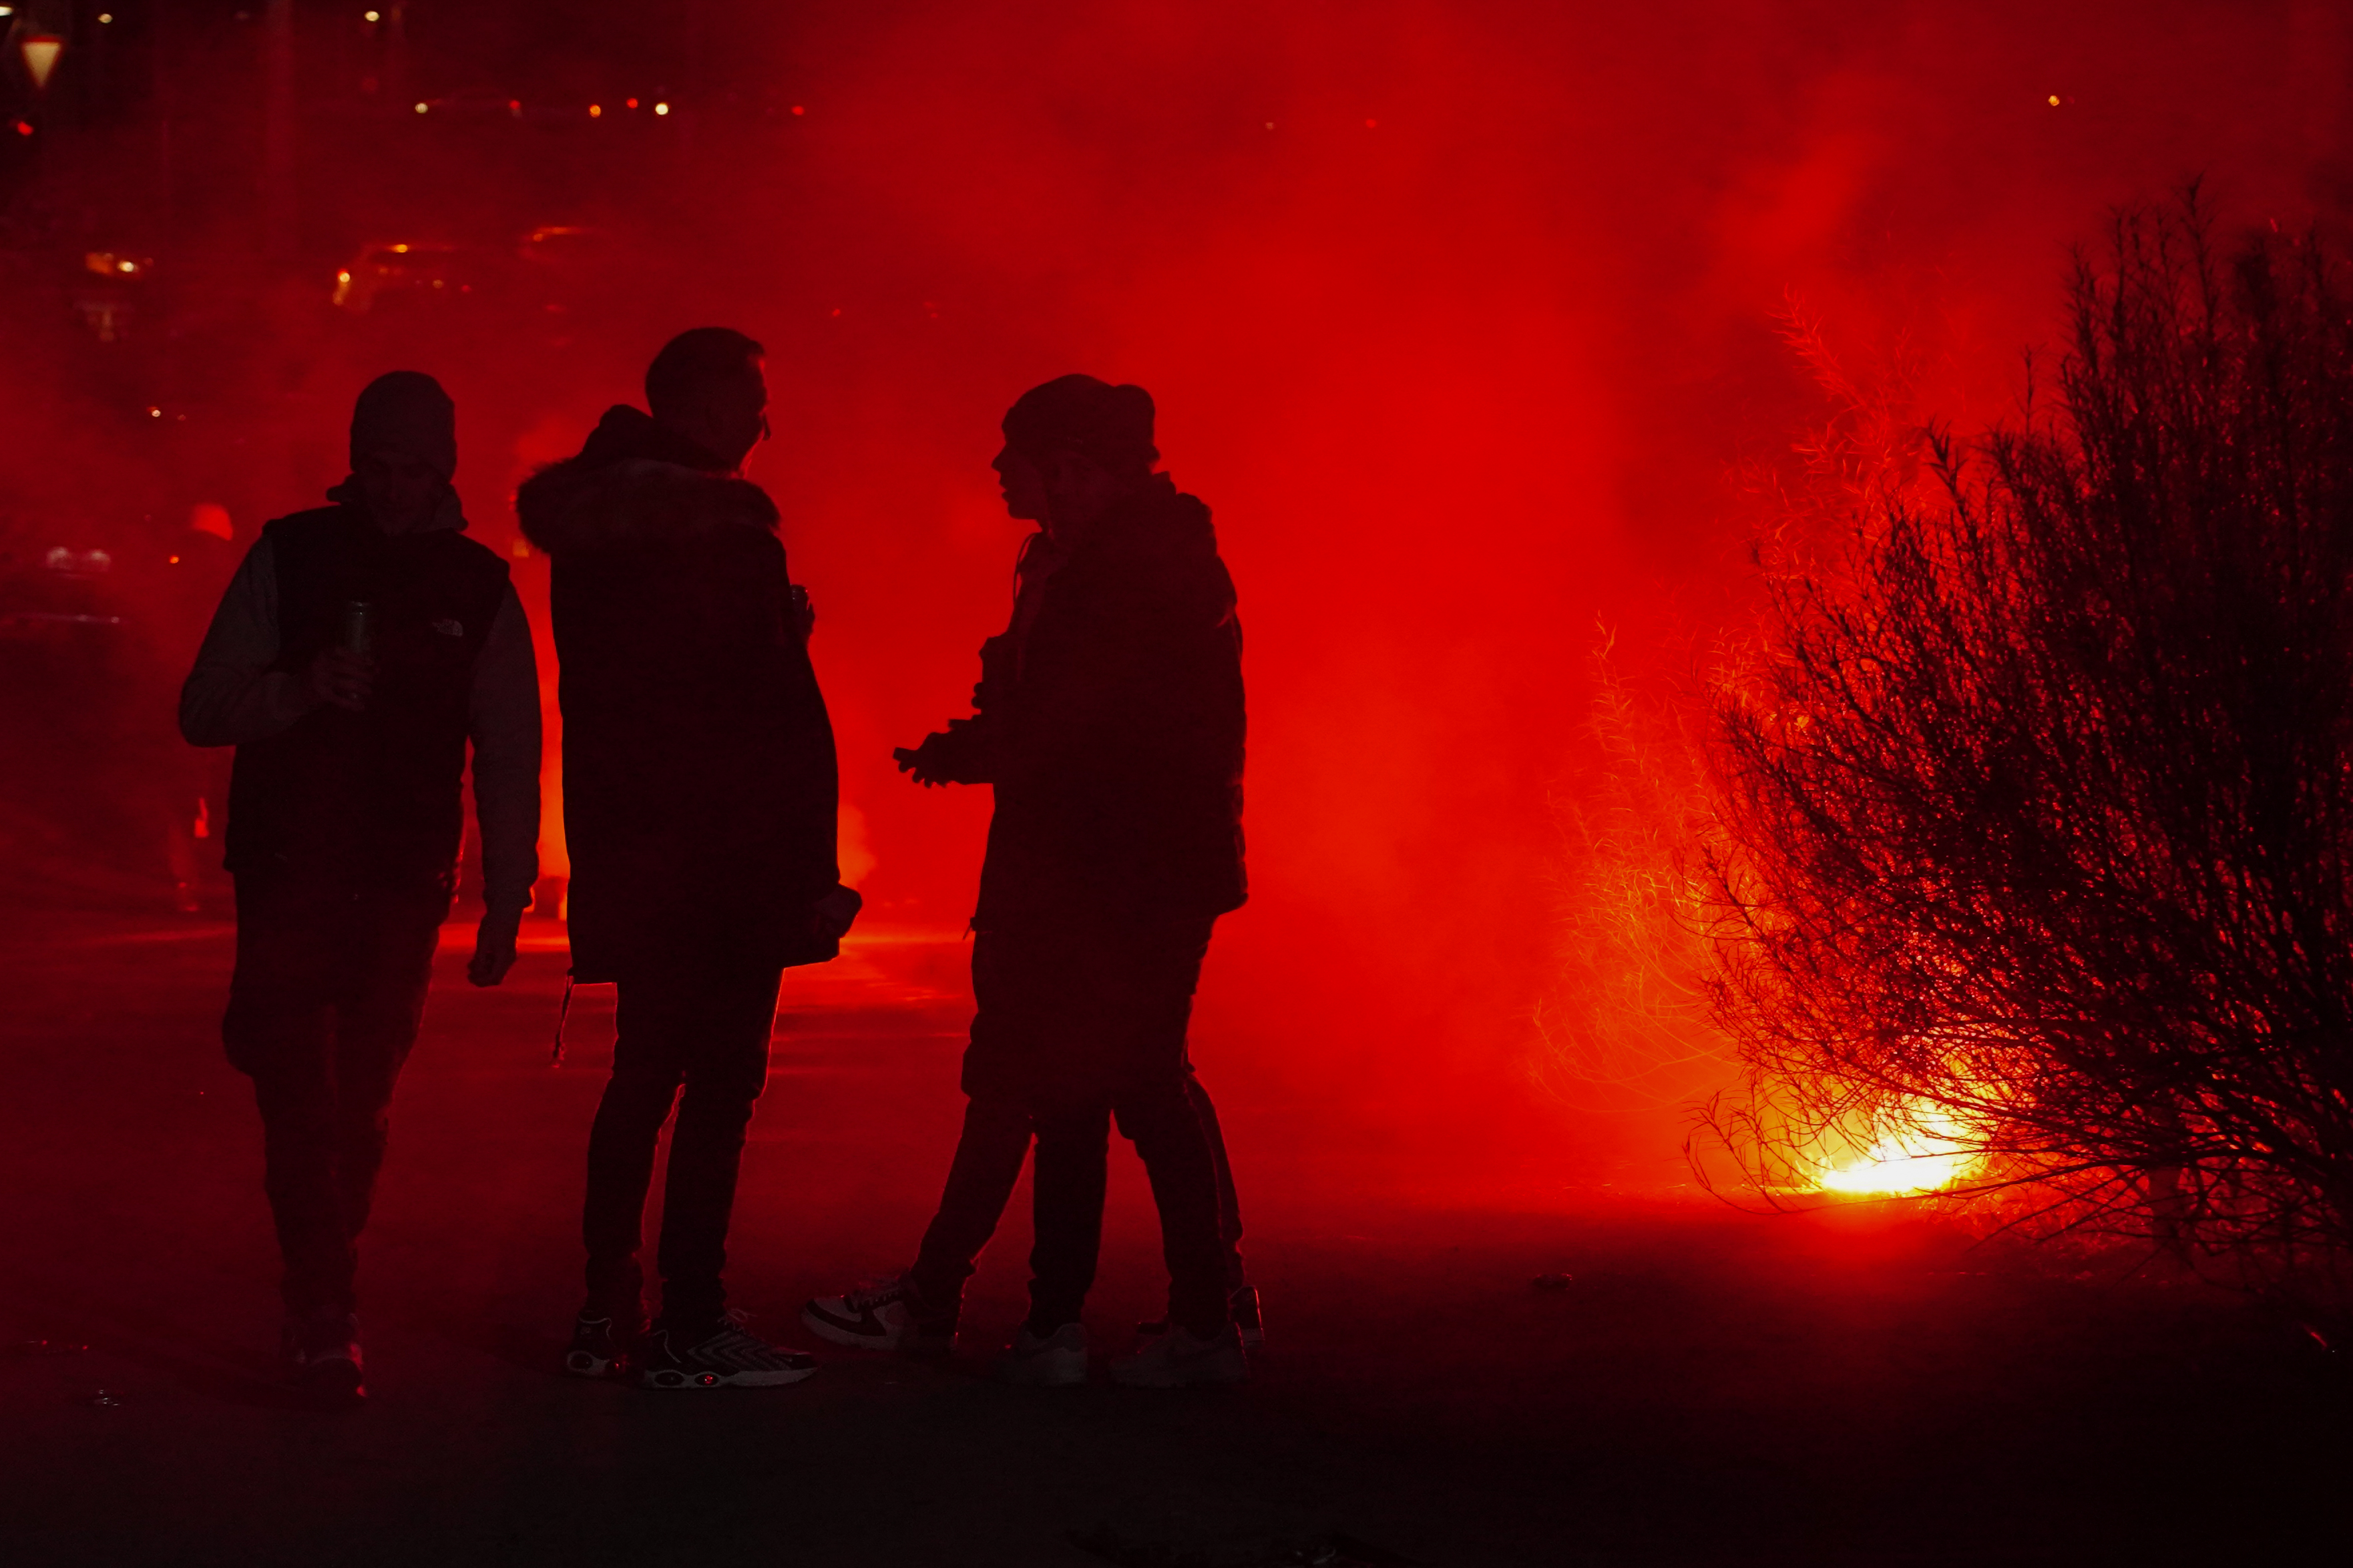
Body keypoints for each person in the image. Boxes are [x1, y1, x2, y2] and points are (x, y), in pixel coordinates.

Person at [801, 374, 1254, 1387]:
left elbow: (1077, 720)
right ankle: (1113, 1321)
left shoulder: (1126, 570)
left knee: (1121, 1084)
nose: (999, 471)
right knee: (1097, 1087)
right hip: (1116, 870)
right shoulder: (1105, 560)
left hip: (1117, 875)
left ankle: (1178, 1323)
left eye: (1018, 454)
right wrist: (989, 732)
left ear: (1075, 471)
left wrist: (981, 745)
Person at [179, 371, 541, 1402]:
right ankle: (324, 1303)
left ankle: (322, 1280)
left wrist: (508, 893)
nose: (392, 489)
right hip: (290, 867)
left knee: (362, 1103)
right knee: (298, 1088)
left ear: (446, 471)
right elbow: (201, 705)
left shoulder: (478, 586)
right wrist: (294, 692)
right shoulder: (289, 554)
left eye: (414, 469)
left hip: (398, 880)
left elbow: (511, 749)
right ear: (355, 461)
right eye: (377, 467)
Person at [517, 328, 860, 1391]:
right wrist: (809, 873)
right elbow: (770, 717)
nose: (767, 422)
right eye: (757, 399)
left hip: (634, 842)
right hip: (731, 857)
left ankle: (602, 1307)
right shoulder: (727, 524)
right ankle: (693, 1315)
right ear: (710, 411)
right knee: (720, 1090)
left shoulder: (588, 525)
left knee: (640, 1078)